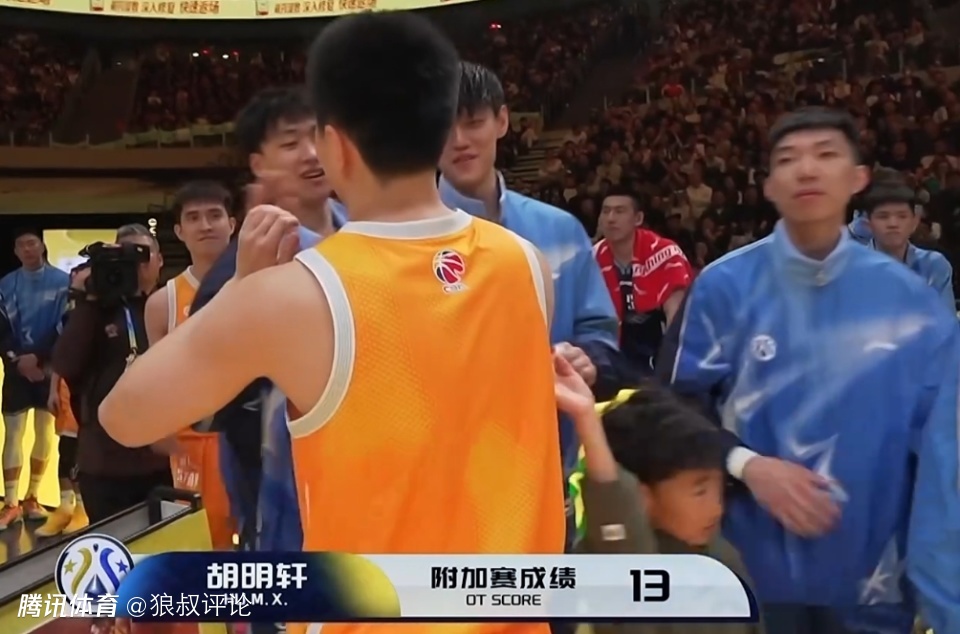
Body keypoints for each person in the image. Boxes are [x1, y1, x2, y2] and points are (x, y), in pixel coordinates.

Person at [100, 13, 564, 634]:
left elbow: (124, 417)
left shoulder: (293, 295)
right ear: (440, 130)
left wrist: (238, 292)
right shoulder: (528, 264)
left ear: (336, 145)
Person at [660, 107, 960, 633]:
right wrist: (745, 464)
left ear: (857, 179)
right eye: (787, 159)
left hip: (873, 580)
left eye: (825, 154)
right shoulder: (722, 287)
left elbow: (941, 458)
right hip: (752, 569)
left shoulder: (912, 303)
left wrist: (945, 602)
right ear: (768, 186)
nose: (806, 169)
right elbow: (670, 405)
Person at [437, 62, 621, 569]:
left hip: (553, 475)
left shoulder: (560, 230)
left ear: (502, 121)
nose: (459, 140)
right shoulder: (403, 238)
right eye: (443, 125)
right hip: (446, 487)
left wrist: (588, 359)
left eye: (473, 122)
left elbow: (599, 331)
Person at [189, 86, 346, 564]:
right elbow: (206, 401)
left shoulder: (372, 234)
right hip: (286, 500)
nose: (311, 153)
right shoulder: (239, 271)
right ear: (259, 165)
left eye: (317, 136)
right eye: (291, 142)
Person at [554, 368, 763, 634]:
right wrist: (586, 419)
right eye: (699, 491)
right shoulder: (613, 567)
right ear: (642, 496)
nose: (716, 508)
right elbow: (619, 530)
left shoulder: (722, 556)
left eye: (718, 488)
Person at [53, 224, 173, 523]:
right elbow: (65, 364)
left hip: (162, 461)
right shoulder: (94, 311)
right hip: (105, 463)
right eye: (125, 256)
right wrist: (87, 300)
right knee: (112, 548)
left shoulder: (171, 305)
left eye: (142, 254)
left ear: (159, 260)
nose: (135, 264)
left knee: (167, 547)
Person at [144, 180, 236, 549]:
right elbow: (157, 381)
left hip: (256, 437)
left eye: (214, 215)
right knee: (204, 544)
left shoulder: (265, 285)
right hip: (193, 443)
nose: (206, 225)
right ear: (180, 231)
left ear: (232, 223)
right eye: (194, 218)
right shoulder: (163, 302)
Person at [0, 229, 69, 530]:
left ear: (42, 246)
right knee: (13, 432)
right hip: (17, 369)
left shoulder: (63, 283)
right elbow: (2, 329)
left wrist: (39, 358)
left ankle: (32, 497)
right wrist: (19, 359)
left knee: (45, 431)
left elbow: (66, 325)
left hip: (49, 370)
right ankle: (10, 503)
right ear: (15, 252)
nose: (27, 249)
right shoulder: (5, 285)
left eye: (32, 243)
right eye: (21, 245)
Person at [594, 189, 692, 380]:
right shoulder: (592, 257)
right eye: (605, 211)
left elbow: (677, 320)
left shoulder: (666, 253)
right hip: (610, 347)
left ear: (638, 218)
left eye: (619, 211)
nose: (611, 218)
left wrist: (669, 366)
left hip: (655, 345)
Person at [36, 265, 89, 536]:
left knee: (82, 452)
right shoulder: (67, 316)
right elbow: (59, 356)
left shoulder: (103, 314)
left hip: (89, 394)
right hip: (66, 392)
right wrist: (53, 390)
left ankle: (83, 508)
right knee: (65, 451)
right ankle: (65, 507)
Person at [863, 167, 955, 313]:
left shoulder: (934, 265)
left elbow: (946, 322)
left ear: (914, 222)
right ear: (868, 224)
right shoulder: (849, 269)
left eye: (902, 216)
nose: (893, 223)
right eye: (883, 216)